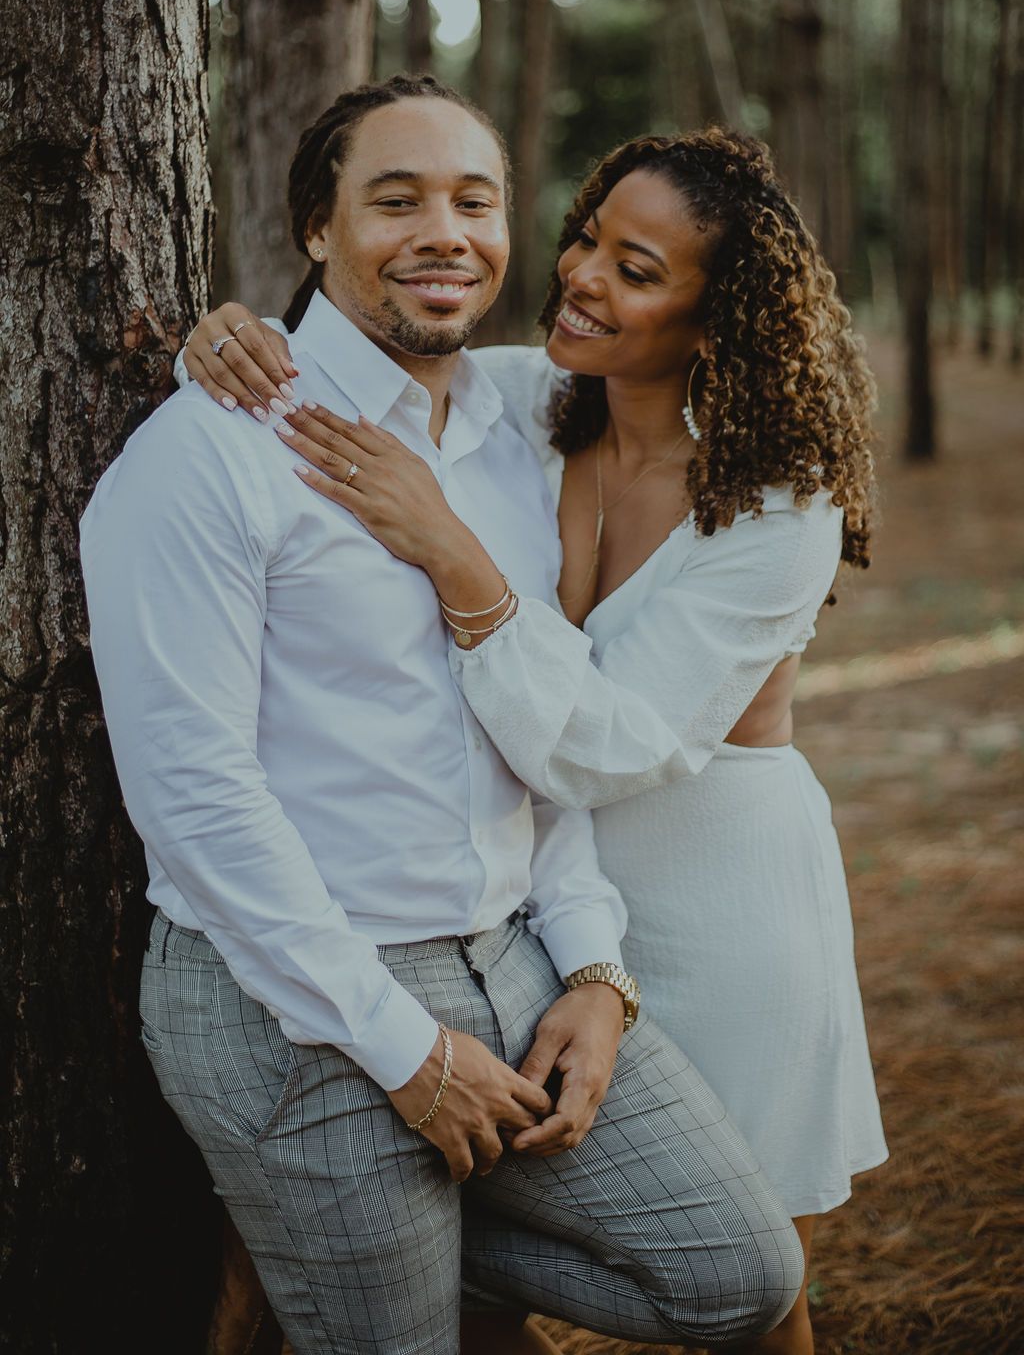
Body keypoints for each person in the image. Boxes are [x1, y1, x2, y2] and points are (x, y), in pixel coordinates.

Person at [80, 75, 805, 1355]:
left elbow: (534, 738)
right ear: (316, 227)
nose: (445, 234)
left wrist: (592, 964)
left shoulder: (516, 430)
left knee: (737, 1277)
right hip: (299, 988)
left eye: (475, 201)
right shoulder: (212, 454)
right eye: (395, 200)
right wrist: (401, 1049)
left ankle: (357, 1219)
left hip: (509, 956)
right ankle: (336, 1208)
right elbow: (194, 798)